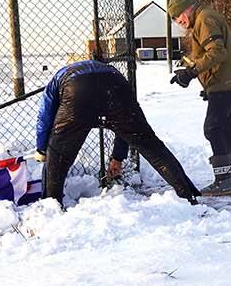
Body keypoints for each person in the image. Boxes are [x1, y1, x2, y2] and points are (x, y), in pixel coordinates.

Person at [34, 58, 200, 204]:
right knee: (150, 145)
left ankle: (52, 204)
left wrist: (42, 148)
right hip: (115, 86)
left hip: (76, 90)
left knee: (57, 155)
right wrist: (118, 157)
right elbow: (126, 128)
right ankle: (187, 194)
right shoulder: (109, 71)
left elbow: (44, 116)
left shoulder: (59, 76)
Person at [167, 0, 231, 195]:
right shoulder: (203, 18)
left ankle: (223, 180)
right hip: (228, 80)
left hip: (225, 81)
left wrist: (192, 72)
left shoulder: (204, 19)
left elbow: (217, 51)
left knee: (213, 128)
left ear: (187, 9)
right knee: (225, 127)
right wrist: (191, 71)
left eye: (179, 17)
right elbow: (206, 52)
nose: (180, 23)